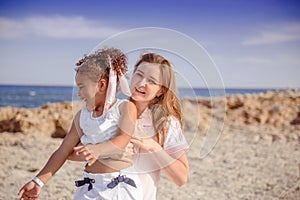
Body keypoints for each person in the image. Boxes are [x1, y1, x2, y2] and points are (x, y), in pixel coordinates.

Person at [18, 47, 143, 200]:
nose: (79, 93)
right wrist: (38, 181)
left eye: (82, 87)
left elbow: (122, 139)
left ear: (102, 85)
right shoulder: (81, 117)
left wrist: (97, 150)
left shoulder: (125, 108)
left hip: (119, 187)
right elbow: (63, 151)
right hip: (89, 186)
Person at [72, 52, 189, 199]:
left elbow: (181, 178)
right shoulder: (114, 113)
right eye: (139, 75)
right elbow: (75, 151)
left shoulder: (166, 123)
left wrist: (153, 147)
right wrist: (105, 151)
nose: (141, 83)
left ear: (161, 90)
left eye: (151, 81)